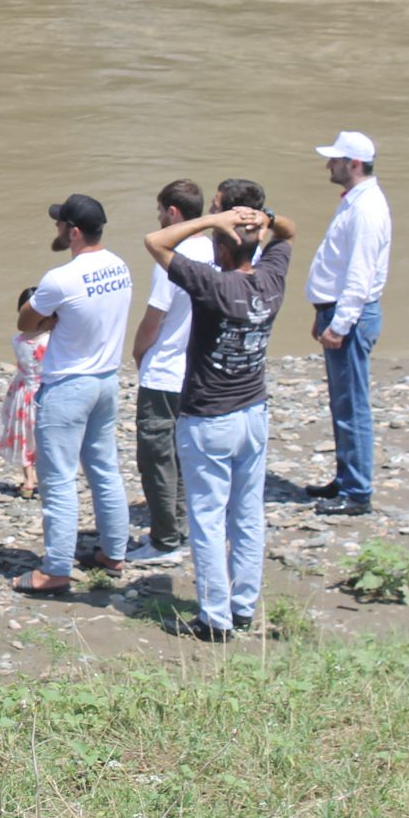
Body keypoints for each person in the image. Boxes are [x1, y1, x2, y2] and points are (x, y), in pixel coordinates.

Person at [145, 203, 299, 641]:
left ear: (221, 251)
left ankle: (215, 618)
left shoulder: (213, 283)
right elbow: (290, 232)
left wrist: (213, 219)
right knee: (248, 514)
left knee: (208, 518)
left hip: (209, 416)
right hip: (254, 411)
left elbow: (155, 242)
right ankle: (243, 606)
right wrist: (266, 218)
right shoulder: (270, 278)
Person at [13, 194, 134, 596]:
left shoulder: (61, 277)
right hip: (106, 379)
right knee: (104, 469)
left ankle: (56, 569)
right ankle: (114, 553)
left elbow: (26, 321)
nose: (56, 230)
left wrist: (54, 316)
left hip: (67, 385)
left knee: (59, 480)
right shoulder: (121, 266)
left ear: (74, 232)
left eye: (60, 225)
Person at [304, 130, 393, 516]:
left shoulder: (366, 209)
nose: (329, 165)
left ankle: (357, 492)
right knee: (342, 402)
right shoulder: (357, 201)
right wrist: (321, 314)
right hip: (339, 311)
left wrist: (339, 324)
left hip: (351, 316)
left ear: (353, 164)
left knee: (352, 405)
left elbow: (358, 275)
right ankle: (345, 479)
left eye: (335, 159)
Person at [126, 179, 214, 564]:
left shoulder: (171, 257)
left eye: (160, 211)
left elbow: (153, 320)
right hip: (198, 369)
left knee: (157, 457)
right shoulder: (213, 250)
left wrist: (138, 353)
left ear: (173, 212)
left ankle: (164, 541)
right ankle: (182, 529)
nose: (159, 218)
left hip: (165, 371)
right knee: (184, 456)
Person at [0, 288, 45, 497]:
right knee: (43, 436)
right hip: (44, 392)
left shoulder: (17, 340)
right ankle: (44, 480)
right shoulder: (49, 339)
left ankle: (28, 480)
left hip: (22, 392)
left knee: (24, 436)